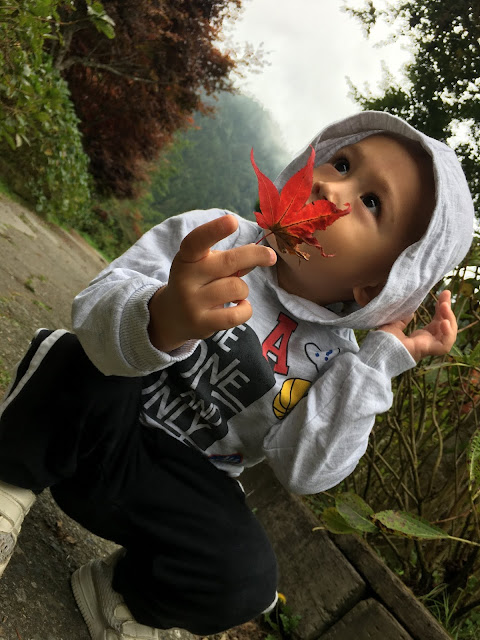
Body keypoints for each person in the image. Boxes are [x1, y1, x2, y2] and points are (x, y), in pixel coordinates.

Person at [0, 111, 474, 640]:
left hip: (172, 488)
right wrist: (159, 319)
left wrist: (378, 360)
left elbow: (305, 472)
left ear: (375, 287)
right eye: (340, 162)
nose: (327, 183)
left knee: (251, 580)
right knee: (76, 358)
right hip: (97, 424)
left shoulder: (339, 363)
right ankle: (8, 486)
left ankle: (121, 599)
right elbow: (94, 307)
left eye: (370, 201)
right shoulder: (217, 241)